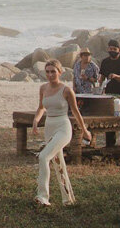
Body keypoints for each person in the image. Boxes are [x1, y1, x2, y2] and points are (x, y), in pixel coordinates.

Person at [32, 59, 91, 207]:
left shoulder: (66, 90)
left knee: (44, 156)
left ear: (60, 72)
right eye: (48, 71)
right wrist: (35, 121)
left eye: (53, 71)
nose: (50, 74)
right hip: (49, 126)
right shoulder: (43, 88)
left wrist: (84, 130)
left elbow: (76, 112)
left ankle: (42, 197)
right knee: (58, 165)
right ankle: (68, 200)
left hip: (63, 127)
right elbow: (41, 108)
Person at [99, 40, 120, 147]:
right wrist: (99, 88)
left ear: (119, 50)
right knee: (110, 121)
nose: (112, 51)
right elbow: (102, 78)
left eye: (114, 49)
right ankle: (110, 146)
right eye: (110, 49)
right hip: (109, 94)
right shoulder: (105, 62)